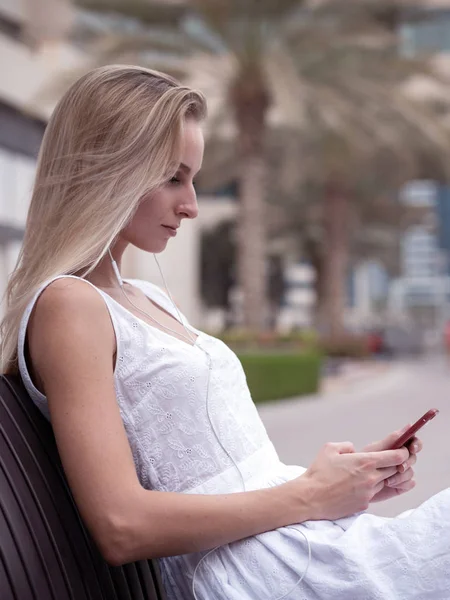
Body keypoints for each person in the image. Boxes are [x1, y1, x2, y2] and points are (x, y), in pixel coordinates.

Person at [1, 65, 449, 600]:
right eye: (173, 177)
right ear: (109, 168)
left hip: (299, 548)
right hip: (265, 574)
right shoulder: (69, 306)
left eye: (192, 180)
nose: (189, 205)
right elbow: (122, 524)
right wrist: (311, 495)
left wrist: (343, 484)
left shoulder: (148, 299)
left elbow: (230, 471)